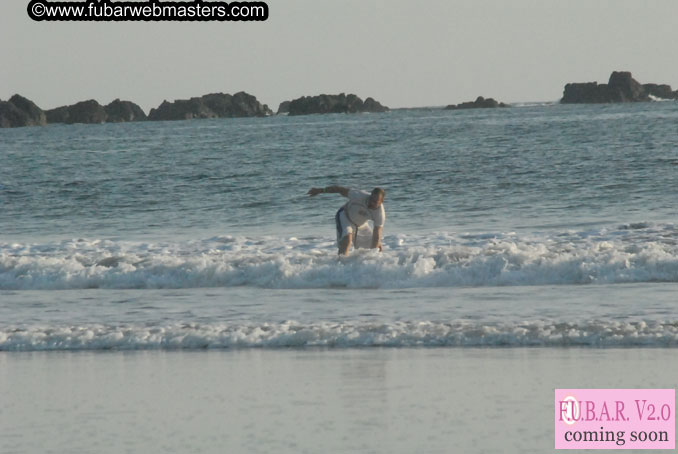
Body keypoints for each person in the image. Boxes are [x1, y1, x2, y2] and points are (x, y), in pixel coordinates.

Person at [307, 186, 386, 255]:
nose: (371, 203)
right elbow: (339, 189)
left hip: (361, 225)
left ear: (381, 202)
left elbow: (377, 235)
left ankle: (376, 268)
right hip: (345, 217)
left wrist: (373, 256)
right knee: (347, 240)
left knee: (378, 247)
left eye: (375, 202)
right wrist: (320, 190)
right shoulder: (359, 195)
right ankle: (340, 265)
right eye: (371, 199)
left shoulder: (380, 213)